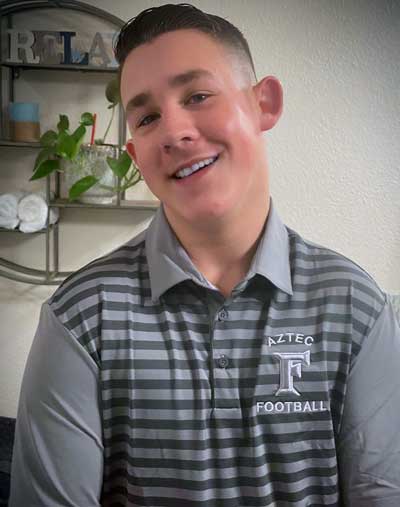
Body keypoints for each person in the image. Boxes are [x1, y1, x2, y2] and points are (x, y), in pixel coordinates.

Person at [9, 3, 400, 506]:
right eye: (147, 117)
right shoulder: (81, 316)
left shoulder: (357, 307)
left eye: (198, 95)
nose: (173, 132)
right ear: (136, 157)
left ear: (265, 104)